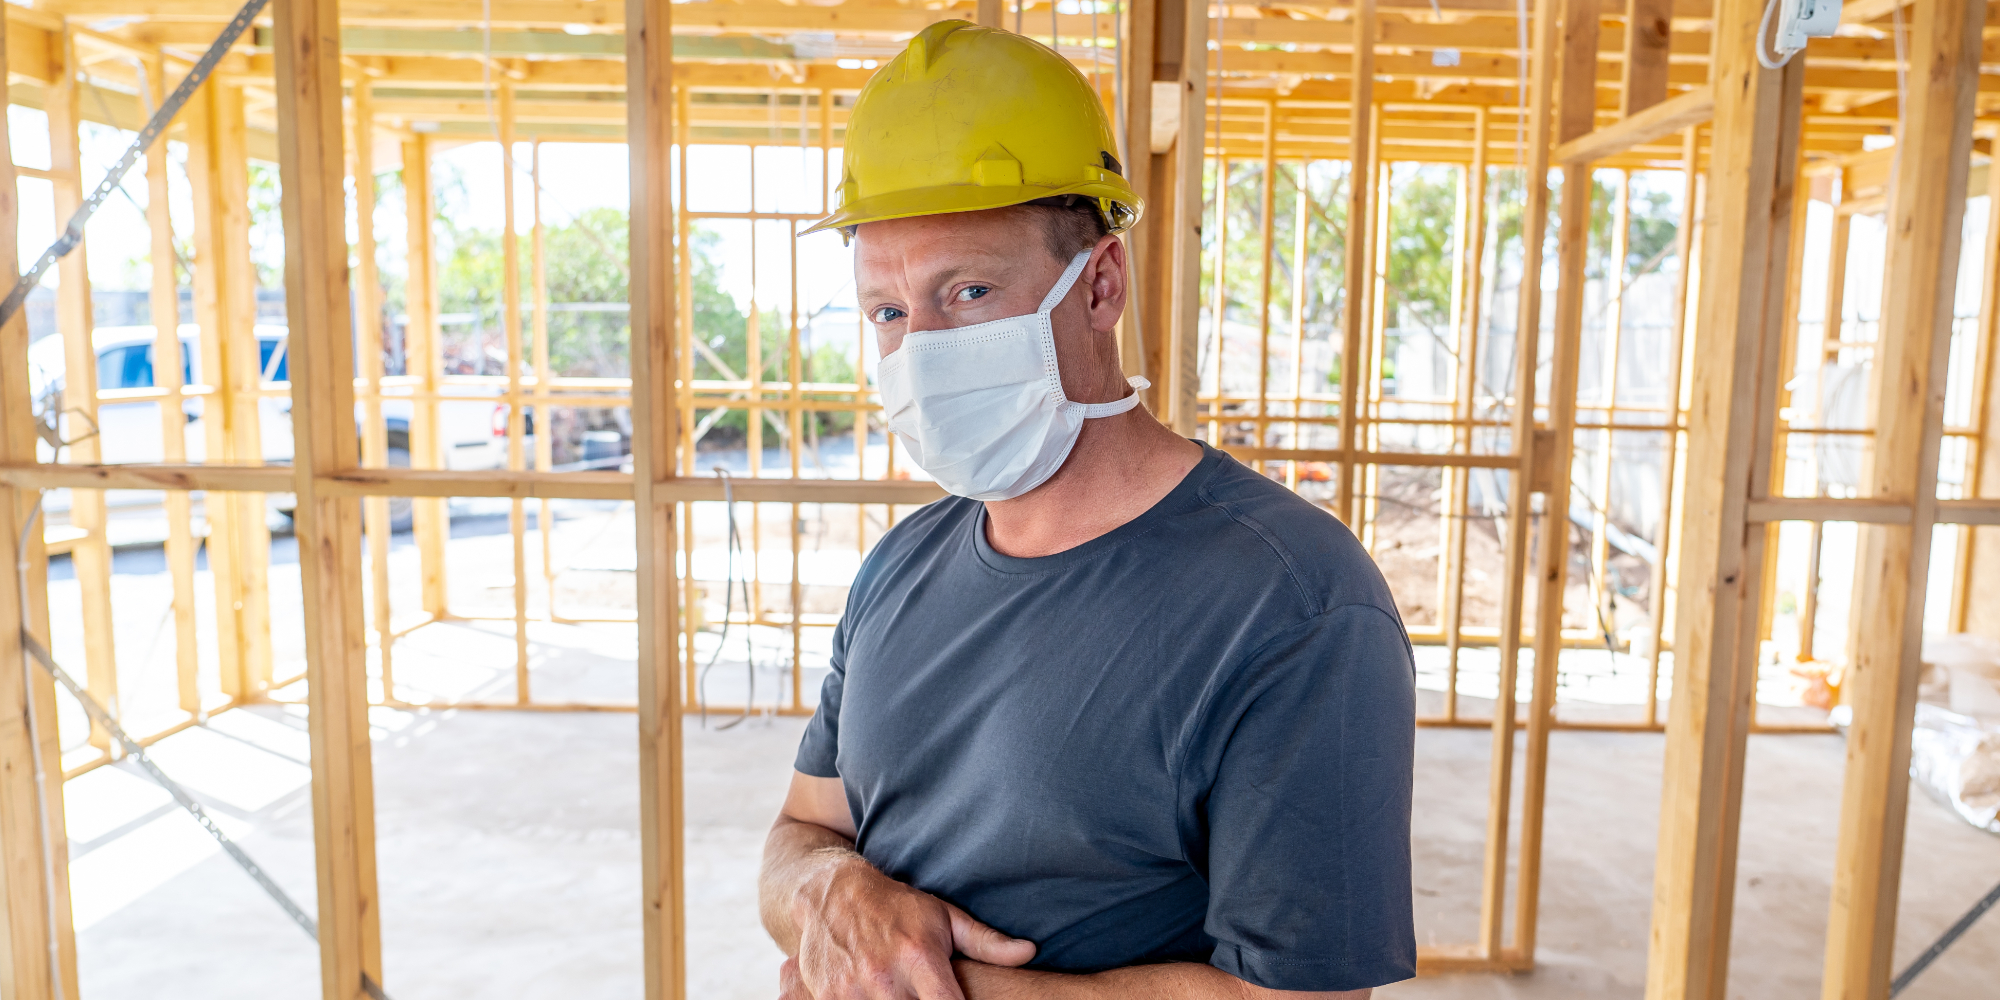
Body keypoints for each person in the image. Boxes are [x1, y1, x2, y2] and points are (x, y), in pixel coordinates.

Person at [758, 20, 1416, 1000]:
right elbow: (800, 832)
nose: (920, 348)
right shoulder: (901, 565)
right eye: (889, 312)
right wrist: (832, 890)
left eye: (968, 290)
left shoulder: (1288, 599)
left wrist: (934, 987)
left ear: (1099, 283)